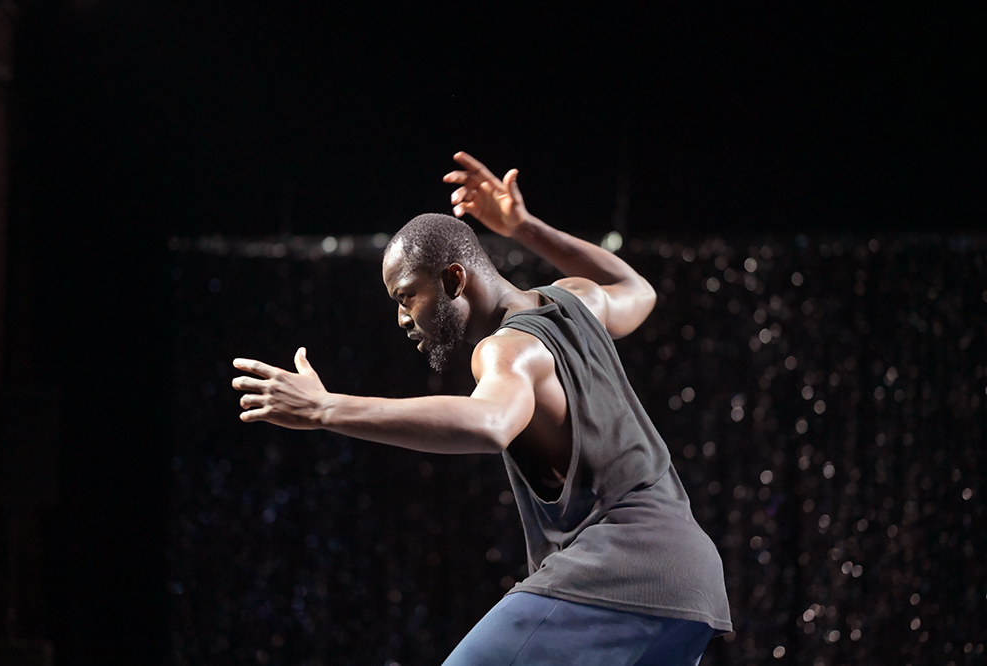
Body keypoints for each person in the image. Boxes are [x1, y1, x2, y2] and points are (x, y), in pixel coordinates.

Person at [232, 152, 732, 665]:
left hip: (623, 567)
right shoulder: (575, 300)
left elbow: (490, 423)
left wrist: (325, 408)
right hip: (692, 583)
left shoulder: (505, 349)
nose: (402, 318)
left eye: (406, 297)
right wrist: (524, 227)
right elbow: (636, 289)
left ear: (454, 279)